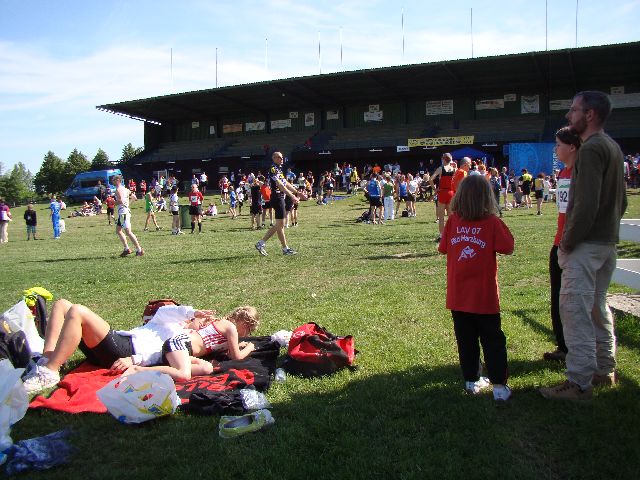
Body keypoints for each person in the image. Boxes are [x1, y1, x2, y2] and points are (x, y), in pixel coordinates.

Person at [540, 91, 627, 400]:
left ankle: (578, 382)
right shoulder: (612, 146)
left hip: (585, 244)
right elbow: (622, 201)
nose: (569, 115)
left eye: (574, 110)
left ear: (589, 114)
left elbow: (585, 205)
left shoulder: (590, 149)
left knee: (575, 311)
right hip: (606, 242)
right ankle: (604, 369)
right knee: (597, 308)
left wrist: (567, 243)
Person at [21, 299, 212, 394]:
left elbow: (162, 355)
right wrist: (192, 312)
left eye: (204, 323)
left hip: (124, 351)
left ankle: (49, 372)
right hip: (118, 343)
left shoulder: (184, 338)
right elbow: (166, 311)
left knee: (78, 311)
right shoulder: (168, 320)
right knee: (62, 304)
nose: (202, 322)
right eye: (200, 320)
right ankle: (47, 359)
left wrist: (136, 359)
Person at [438, 175, 514, 402]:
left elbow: (443, 247)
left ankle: (471, 381)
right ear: (487, 198)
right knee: (493, 340)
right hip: (484, 296)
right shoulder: (491, 222)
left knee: (466, 341)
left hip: (459, 296)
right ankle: (499, 387)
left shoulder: (453, 221)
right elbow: (508, 246)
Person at [126, 306, 260, 381]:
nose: (247, 335)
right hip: (180, 343)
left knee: (207, 368)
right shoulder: (230, 327)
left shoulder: (224, 324)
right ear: (245, 324)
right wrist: (249, 347)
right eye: (249, 331)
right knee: (184, 375)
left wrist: (236, 346)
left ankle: (168, 369)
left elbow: (227, 351)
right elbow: (236, 357)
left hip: (184, 349)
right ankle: (138, 370)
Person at [543, 127, 581, 363]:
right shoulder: (564, 173)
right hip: (559, 243)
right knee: (557, 297)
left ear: (572, 147)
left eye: (558, 144)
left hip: (573, 245)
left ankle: (576, 349)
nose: (555, 149)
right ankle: (563, 346)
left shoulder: (581, 173)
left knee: (572, 300)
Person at [255, 151, 301, 256]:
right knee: (280, 225)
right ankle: (285, 249)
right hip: (277, 197)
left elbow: (286, 183)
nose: (282, 159)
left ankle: (261, 243)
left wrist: (297, 192)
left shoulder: (279, 169)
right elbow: (280, 185)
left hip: (280, 197)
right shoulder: (273, 169)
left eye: (282, 157)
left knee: (279, 224)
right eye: (279, 157)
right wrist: (292, 196)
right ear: (274, 158)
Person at [430, 153, 458, 242]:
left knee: (441, 217)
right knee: (451, 216)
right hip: (451, 193)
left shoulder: (440, 168)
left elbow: (431, 179)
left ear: (443, 159)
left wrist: (435, 189)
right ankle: (452, 234)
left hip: (442, 192)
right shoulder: (454, 169)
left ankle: (442, 236)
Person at [113, 175, 144, 257]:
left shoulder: (118, 189)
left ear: (118, 180)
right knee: (118, 230)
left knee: (128, 232)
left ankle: (139, 250)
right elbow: (134, 197)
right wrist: (128, 205)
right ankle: (126, 249)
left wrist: (113, 203)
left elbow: (121, 201)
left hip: (123, 213)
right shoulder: (126, 189)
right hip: (124, 212)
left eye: (113, 180)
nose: (112, 181)